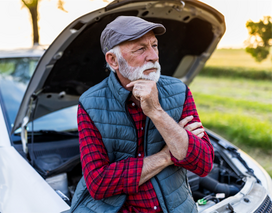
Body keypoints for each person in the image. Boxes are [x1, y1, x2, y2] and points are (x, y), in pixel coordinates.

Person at [70, 16, 214, 213]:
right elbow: (98, 183)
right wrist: (166, 156)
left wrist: (156, 112)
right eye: (141, 49)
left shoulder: (179, 91)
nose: (154, 56)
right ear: (113, 60)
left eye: (154, 45)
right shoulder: (90, 103)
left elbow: (203, 164)